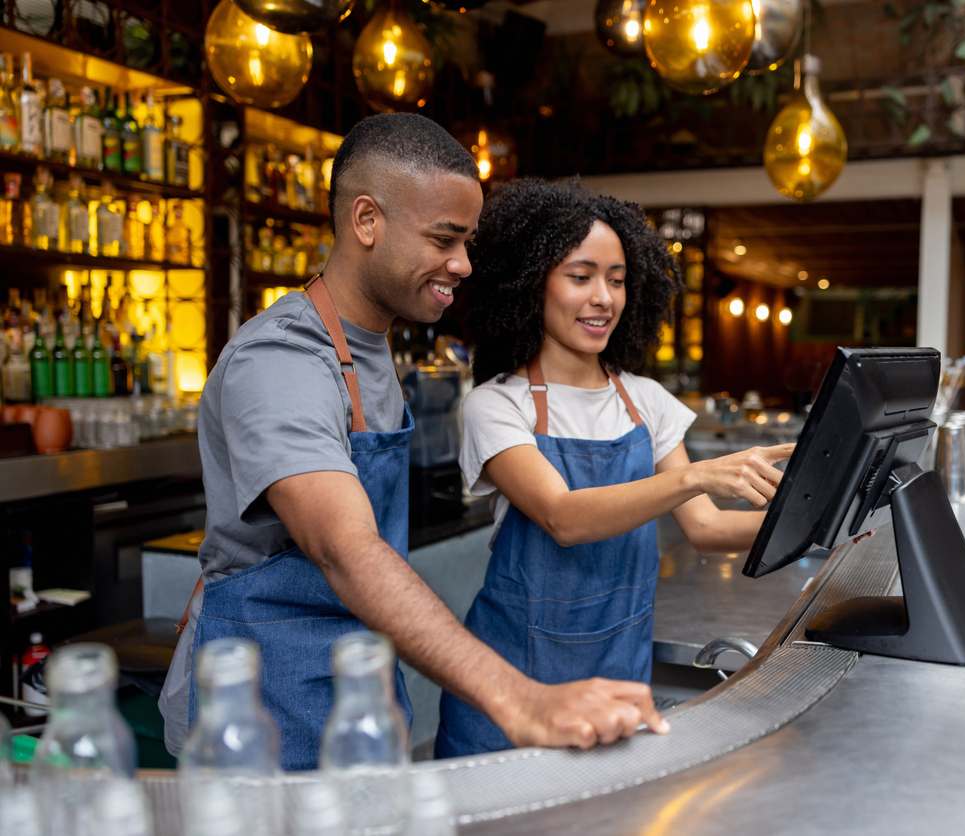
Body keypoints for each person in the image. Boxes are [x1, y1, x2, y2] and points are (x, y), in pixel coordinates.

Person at [159, 116, 666, 770]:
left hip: (354, 683)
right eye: (444, 239)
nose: (462, 264)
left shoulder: (370, 351)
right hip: (261, 704)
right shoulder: (280, 360)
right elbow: (345, 550)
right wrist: (518, 699)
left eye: (468, 241)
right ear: (366, 221)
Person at [435, 179, 793, 757]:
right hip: (514, 688)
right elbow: (563, 517)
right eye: (581, 277)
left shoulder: (645, 400)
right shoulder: (498, 405)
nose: (604, 297)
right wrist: (696, 475)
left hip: (621, 678)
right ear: (532, 284)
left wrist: (824, 521)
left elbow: (707, 528)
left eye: (618, 280)